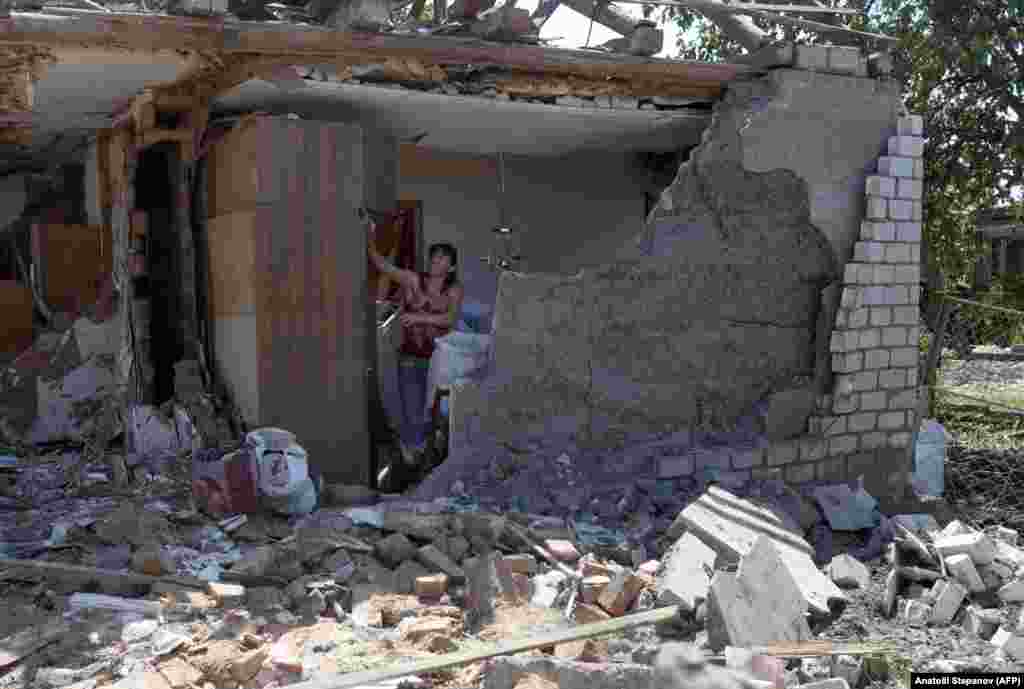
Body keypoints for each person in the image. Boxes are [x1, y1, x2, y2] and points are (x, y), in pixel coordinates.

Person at [365, 209, 464, 463]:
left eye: (442, 257)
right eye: (434, 255)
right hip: (410, 357)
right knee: (410, 408)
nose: (436, 259)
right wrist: (370, 234)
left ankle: (419, 450)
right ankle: (412, 450)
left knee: (427, 411)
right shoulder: (412, 280)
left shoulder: (454, 290)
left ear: (450, 266)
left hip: (438, 359)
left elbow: (449, 320)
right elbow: (381, 265)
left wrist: (419, 317)